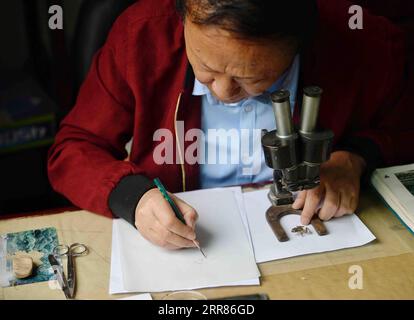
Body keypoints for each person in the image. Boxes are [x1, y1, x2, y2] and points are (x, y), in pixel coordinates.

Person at [48, 0, 414, 250]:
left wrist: (356, 158)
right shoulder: (142, 37)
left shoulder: (365, 44)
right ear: (183, 18)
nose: (224, 91)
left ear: (299, 44)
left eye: (251, 78)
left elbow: (404, 131)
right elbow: (75, 148)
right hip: (190, 248)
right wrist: (133, 197)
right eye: (205, 68)